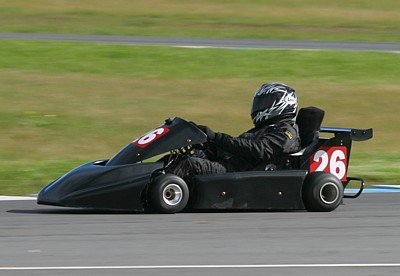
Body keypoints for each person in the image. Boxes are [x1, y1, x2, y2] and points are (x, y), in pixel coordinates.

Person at [167, 82, 301, 180]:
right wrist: (206, 142)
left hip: (241, 174)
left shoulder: (286, 133)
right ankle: (155, 181)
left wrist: (216, 138)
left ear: (281, 104)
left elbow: (259, 150)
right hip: (231, 166)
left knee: (190, 164)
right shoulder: (264, 129)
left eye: (264, 102)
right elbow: (235, 149)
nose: (259, 106)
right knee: (184, 155)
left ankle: (161, 190)